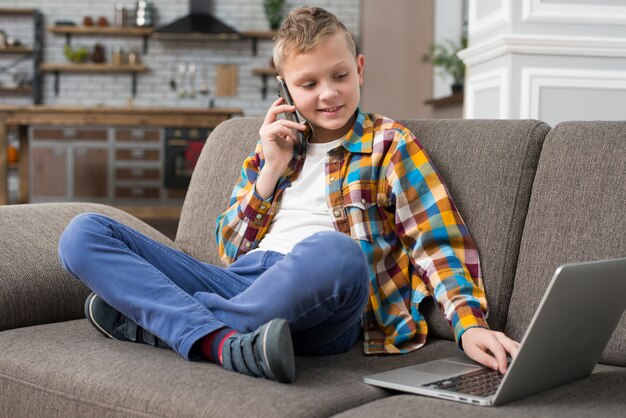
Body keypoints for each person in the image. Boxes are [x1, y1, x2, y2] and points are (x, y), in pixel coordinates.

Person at [58, 6, 519, 384]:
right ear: (285, 89)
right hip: (245, 284)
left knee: (337, 251)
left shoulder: (391, 145)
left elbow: (437, 241)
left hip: (325, 296)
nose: (329, 94)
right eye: (309, 84)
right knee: (83, 234)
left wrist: (468, 325)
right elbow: (229, 251)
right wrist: (271, 169)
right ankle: (223, 342)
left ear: (359, 69)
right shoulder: (271, 149)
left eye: (339, 76)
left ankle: (162, 321)